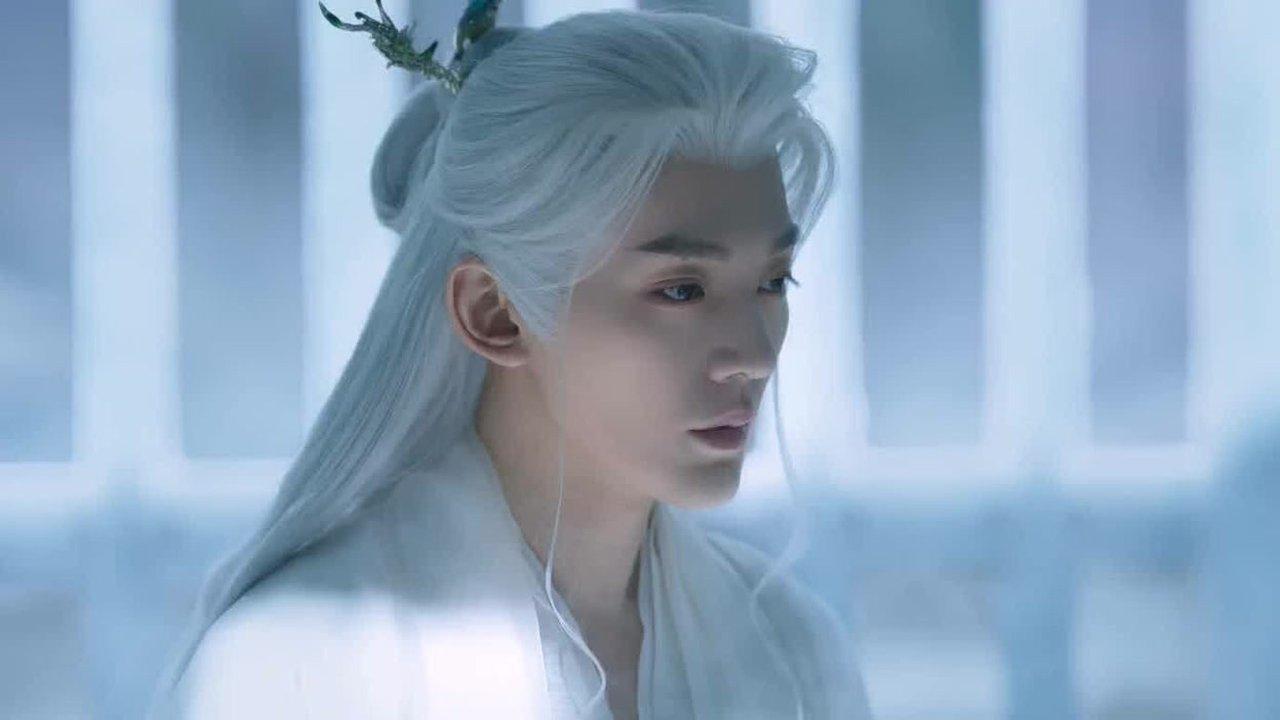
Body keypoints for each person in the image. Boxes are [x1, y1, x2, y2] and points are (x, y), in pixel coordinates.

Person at [148, 3, 873, 718]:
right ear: (493, 312)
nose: (752, 355)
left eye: (772, 282)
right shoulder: (296, 661)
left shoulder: (792, 648)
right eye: (682, 290)